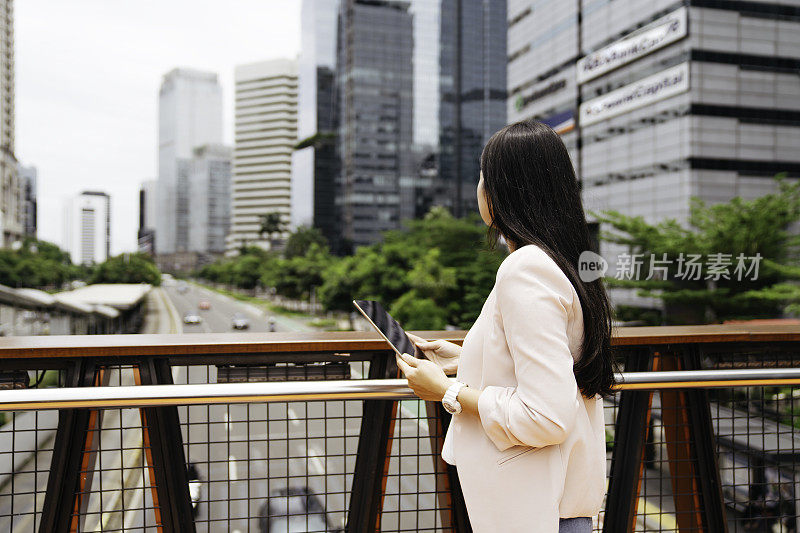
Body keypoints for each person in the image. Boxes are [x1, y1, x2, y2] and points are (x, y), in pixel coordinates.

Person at [396, 120, 615, 533]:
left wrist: (447, 391)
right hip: (558, 510)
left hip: (537, 514)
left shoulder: (526, 268)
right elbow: (551, 366)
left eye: (483, 176)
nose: (479, 187)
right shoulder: (561, 261)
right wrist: (465, 359)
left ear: (501, 192)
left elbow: (546, 417)